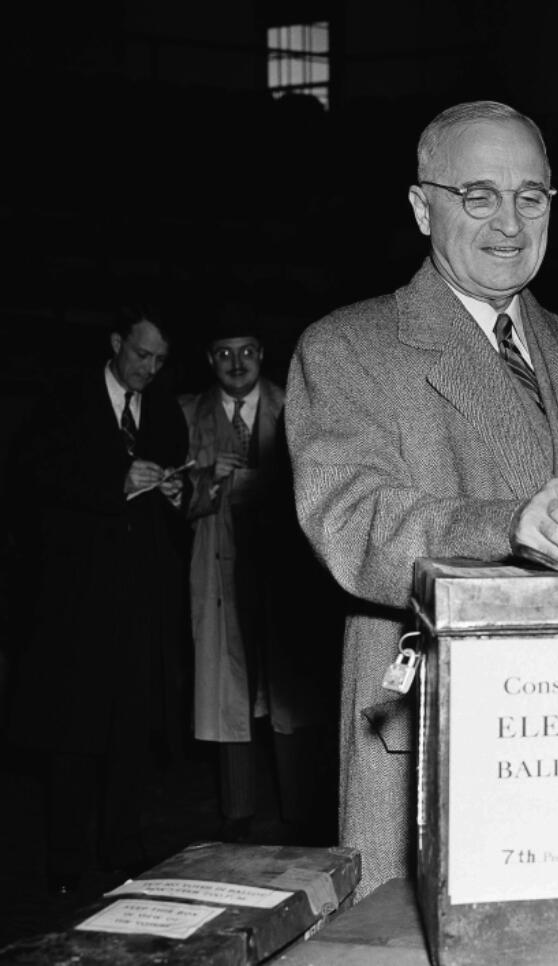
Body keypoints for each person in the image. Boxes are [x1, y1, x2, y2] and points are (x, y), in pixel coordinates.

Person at [285, 100, 558, 899]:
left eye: (531, 196)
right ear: (423, 208)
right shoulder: (345, 347)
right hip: (437, 747)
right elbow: (354, 523)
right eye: (478, 194)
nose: (509, 222)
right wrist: (506, 528)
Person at [6, 304, 189, 893]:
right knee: (74, 733)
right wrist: (115, 484)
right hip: (74, 600)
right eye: (141, 355)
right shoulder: (62, 400)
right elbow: (29, 479)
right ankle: (66, 861)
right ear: (115, 343)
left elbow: (171, 504)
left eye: (160, 360)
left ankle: (123, 849)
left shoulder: (163, 408)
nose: (149, 369)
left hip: (140, 599)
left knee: (131, 729)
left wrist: (176, 492)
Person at [181, 312, 337, 844]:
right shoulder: (186, 416)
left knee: (290, 690)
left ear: (262, 354)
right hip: (220, 572)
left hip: (284, 571)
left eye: (246, 351)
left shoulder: (294, 407)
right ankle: (238, 813)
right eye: (224, 353)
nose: (236, 364)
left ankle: (300, 813)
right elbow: (167, 503)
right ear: (209, 360)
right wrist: (206, 480)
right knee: (227, 690)